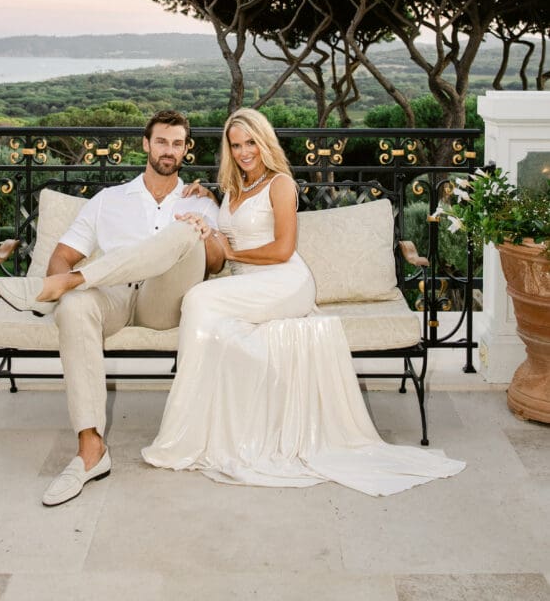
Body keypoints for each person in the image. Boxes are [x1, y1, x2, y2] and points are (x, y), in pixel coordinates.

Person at [142, 108, 466, 495]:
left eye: (250, 143)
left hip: (284, 280)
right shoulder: (234, 187)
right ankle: (217, 431)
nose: (245, 152)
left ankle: (182, 433)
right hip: (249, 284)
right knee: (220, 332)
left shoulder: (280, 184)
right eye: (236, 145)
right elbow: (232, 223)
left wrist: (231, 254)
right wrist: (210, 196)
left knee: (196, 300)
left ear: (264, 142)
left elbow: (282, 250)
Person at [0, 109, 225, 507]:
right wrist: (63, 279)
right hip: (113, 294)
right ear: (146, 144)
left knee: (184, 229)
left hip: (164, 299)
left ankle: (69, 285)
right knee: (74, 308)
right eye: (162, 141)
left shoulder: (200, 201)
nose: (169, 150)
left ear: (187, 150)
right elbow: (62, 255)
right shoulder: (108, 200)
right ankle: (90, 450)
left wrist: (203, 234)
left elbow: (217, 262)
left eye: (177, 143)